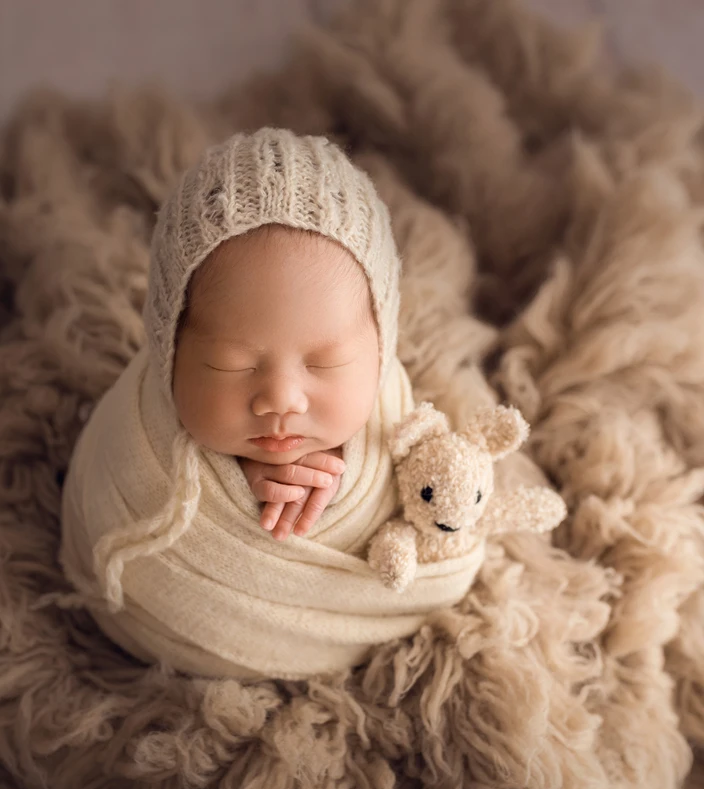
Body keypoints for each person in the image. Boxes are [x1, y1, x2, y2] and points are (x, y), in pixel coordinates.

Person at [60, 128, 482, 679]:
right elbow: (108, 512)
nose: (281, 399)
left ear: (381, 349)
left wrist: (347, 487)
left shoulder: (402, 430)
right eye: (231, 364)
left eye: (324, 362)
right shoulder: (134, 439)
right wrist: (235, 483)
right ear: (169, 349)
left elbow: (443, 538)